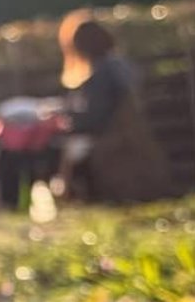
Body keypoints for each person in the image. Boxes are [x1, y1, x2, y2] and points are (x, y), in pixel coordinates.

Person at [56, 11, 168, 203]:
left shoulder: (101, 74)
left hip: (113, 141)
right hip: (135, 137)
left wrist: (66, 116)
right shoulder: (121, 65)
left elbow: (96, 116)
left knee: (65, 150)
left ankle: (71, 199)